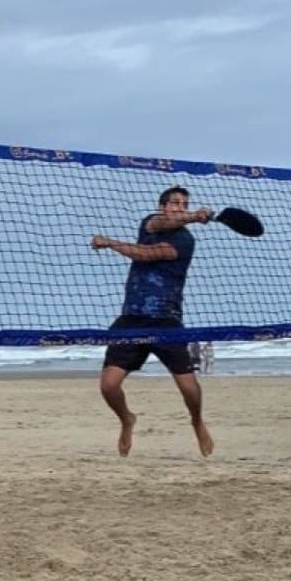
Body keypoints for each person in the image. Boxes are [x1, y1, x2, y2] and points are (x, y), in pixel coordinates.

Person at [90, 185, 214, 458]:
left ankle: (196, 420)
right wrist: (195, 215)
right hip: (131, 319)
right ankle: (127, 419)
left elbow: (146, 254)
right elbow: (160, 224)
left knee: (188, 387)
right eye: (174, 203)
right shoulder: (150, 224)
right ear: (162, 207)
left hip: (166, 321)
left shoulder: (185, 241)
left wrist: (110, 243)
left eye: (184, 204)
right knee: (108, 385)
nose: (179, 207)